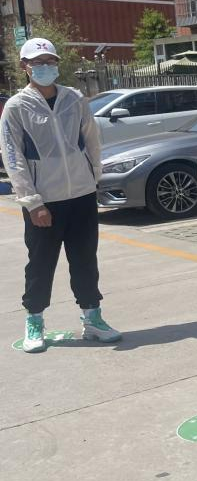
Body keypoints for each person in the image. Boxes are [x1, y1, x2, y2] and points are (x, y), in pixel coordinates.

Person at [0, 38, 121, 353]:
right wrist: (32, 202)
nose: (45, 67)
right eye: (37, 63)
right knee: (41, 264)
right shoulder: (16, 107)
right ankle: (34, 320)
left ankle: (92, 318)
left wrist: (93, 178)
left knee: (85, 260)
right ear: (25, 67)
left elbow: (91, 139)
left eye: (50, 61)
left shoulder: (74, 99)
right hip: (44, 201)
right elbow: (13, 157)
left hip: (81, 195)